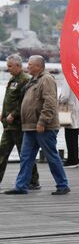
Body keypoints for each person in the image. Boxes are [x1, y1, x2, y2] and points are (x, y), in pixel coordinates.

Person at [4, 55, 71, 196]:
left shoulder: (46, 79)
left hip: (43, 127)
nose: (27, 67)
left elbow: (50, 102)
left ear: (39, 66)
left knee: (51, 156)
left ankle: (63, 185)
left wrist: (42, 121)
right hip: (29, 127)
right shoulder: (34, 80)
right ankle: (21, 186)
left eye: (30, 64)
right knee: (26, 156)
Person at [0, 54, 40, 190]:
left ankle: (33, 181)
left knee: (25, 154)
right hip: (8, 124)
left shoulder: (25, 80)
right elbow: (10, 99)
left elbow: (25, 101)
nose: (8, 69)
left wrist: (14, 114)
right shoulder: (13, 79)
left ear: (18, 65)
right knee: (2, 152)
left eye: (10, 66)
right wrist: (4, 113)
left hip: (19, 125)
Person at [58, 81, 79, 168]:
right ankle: (74, 158)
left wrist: (59, 100)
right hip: (77, 107)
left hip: (69, 108)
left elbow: (65, 95)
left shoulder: (67, 78)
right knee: (75, 134)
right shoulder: (75, 76)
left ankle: (72, 160)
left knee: (69, 135)